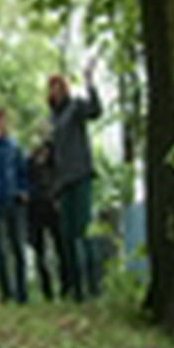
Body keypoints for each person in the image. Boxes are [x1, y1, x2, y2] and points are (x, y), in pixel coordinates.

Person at [48, 65, 102, 302]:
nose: (55, 91)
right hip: (63, 184)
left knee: (84, 231)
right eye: (51, 88)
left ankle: (94, 286)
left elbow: (96, 111)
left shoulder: (76, 107)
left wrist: (89, 83)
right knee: (67, 235)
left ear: (65, 89)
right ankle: (76, 289)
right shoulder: (52, 118)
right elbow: (54, 157)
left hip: (80, 176)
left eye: (58, 86)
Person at [0, 108, 29, 304]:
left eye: (5, 121)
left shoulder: (15, 146)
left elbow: (22, 171)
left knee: (18, 247)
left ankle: (22, 292)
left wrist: (23, 190)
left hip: (15, 201)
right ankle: (6, 292)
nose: (2, 124)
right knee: (1, 248)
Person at [27, 138, 69, 301]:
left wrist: (56, 198)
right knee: (40, 251)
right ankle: (46, 290)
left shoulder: (56, 166)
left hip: (52, 210)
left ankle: (66, 286)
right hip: (36, 211)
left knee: (60, 248)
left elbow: (59, 183)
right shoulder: (31, 165)